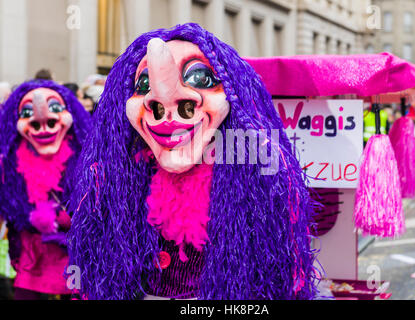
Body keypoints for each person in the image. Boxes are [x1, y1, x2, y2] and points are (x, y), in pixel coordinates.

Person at [68, 23, 320, 300]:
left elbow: (277, 269)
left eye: (200, 78)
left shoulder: (253, 176)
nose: (169, 109)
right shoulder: (123, 173)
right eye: (144, 85)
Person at [0, 80, 91, 299]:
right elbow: (8, 202)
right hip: (34, 254)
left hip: (72, 254)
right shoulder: (10, 158)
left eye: (57, 108)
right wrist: (29, 216)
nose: (43, 121)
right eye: (27, 111)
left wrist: (73, 217)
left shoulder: (84, 153)